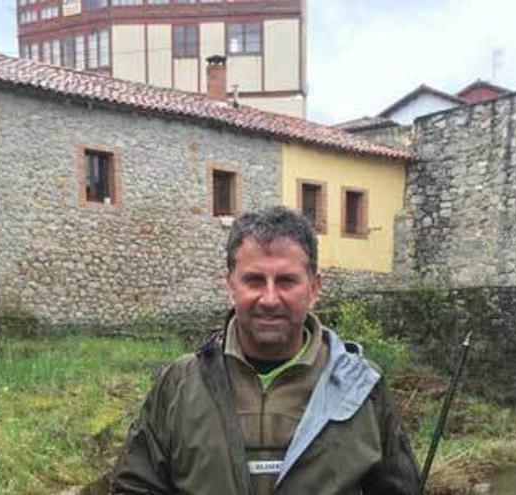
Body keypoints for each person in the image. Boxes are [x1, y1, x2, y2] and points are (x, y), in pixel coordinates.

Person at [112, 206, 420, 495]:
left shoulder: (361, 388)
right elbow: (135, 487)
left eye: (286, 281)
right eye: (254, 280)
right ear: (231, 285)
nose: (270, 298)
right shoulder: (180, 384)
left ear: (314, 288)